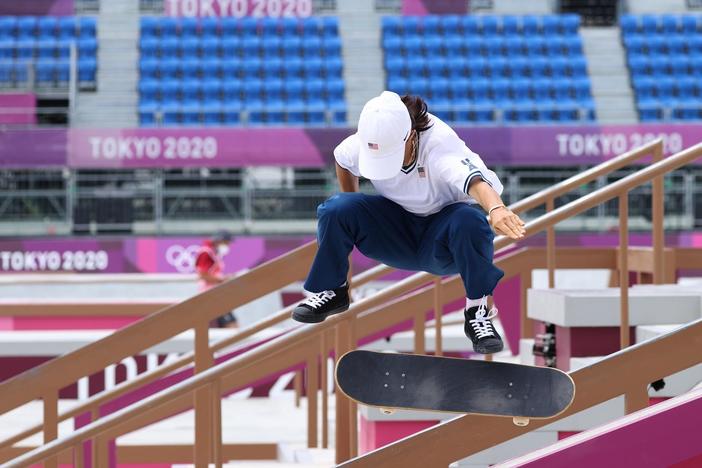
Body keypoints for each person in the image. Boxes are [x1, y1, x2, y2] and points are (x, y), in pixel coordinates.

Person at [291, 92, 526, 354]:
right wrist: (352, 208)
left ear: (411, 136)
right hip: (396, 230)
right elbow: (342, 160)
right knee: (337, 208)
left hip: (443, 240)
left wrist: (496, 208)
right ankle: (334, 291)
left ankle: (477, 313)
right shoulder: (364, 141)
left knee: (470, 220)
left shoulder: (439, 144)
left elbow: (474, 181)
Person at [195, 230, 238, 328]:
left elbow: (211, 274)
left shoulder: (213, 252)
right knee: (231, 325)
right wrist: (222, 280)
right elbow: (203, 276)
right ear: (220, 240)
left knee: (226, 326)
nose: (229, 246)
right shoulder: (206, 252)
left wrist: (223, 278)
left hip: (215, 294)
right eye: (227, 243)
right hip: (210, 295)